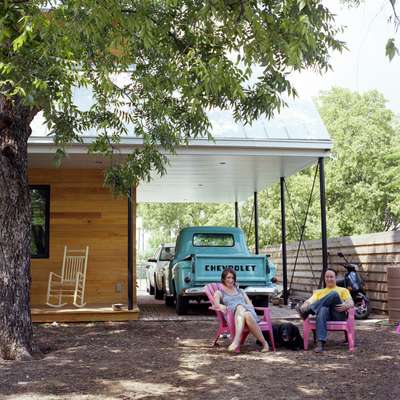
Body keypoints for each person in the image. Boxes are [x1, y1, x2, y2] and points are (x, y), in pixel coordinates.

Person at [297, 268, 354, 353]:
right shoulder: (319, 292)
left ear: (335, 278)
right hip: (324, 316)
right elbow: (309, 301)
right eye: (327, 277)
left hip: (338, 314)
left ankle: (308, 311)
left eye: (331, 277)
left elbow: (351, 302)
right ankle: (320, 343)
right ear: (324, 278)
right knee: (323, 309)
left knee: (334, 294)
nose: (329, 279)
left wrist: (346, 305)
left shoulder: (343, 290)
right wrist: (304, 306)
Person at [214, 268, 269, 352]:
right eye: (228, 278)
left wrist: (245, 307)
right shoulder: (219, 292)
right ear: (224, 279)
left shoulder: (241, 291)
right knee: (243, 311)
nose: (231, 280)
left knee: (242, 309)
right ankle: (265, 344)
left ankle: (236, 341)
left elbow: (250, 304)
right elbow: (216, 304)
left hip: (247, 312)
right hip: (233, 316)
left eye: (232, 278)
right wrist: (221, 306)